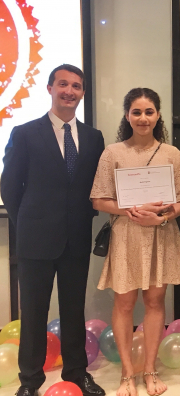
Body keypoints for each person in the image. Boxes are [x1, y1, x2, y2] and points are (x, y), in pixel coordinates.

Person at [1, 64, 106, 396]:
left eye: (76, 86)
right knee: (33, 312)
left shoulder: (93, 137)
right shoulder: (25, 132)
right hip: (35, 240)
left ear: (82, 93)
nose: (69, 91)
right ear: (49, 88)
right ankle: (30, 381)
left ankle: (77, 373)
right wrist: (28, 223)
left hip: (76, 238)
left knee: (74, 309)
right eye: (63, 84)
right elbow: (9, 187)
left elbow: (96, 187)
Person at [90, 88, 180, 396]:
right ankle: (126, 373)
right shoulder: (112, 153)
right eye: (136, 112)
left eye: (149, 112)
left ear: (158, 115)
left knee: (154, 302)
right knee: (124, 303)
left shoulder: (171, 154)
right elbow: (98, 199)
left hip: (160, 234)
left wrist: (162, 217)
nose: (143, 118)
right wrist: (129, 209)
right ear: (127, 116)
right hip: (126, 235)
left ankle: (149, 370)